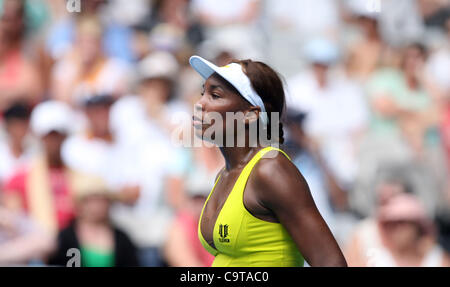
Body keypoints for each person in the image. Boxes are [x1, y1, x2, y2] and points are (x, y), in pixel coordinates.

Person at [189, 55, 347, 267]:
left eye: (215, 95)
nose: (200, 104)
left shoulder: (271, 170)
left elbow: (330, 263)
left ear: (250, 114)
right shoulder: (224, 175)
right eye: (203, 93)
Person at [2, 101, 76, 233]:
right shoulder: (21, 176)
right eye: (49, 136)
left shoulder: (79, 175)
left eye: (58, 135)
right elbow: (13, 216)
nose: (54, 141)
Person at [47, 172, 139, 267]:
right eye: (92, 200)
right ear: (81, 204)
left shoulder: (122, 238)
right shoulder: (67, 236)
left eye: (102, 200)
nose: (97, 205)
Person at [345, 190, 450, 267]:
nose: (395, 229)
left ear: (417, 226)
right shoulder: (374, 257)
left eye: (401, 222)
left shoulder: (437, 259)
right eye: (390, 224)